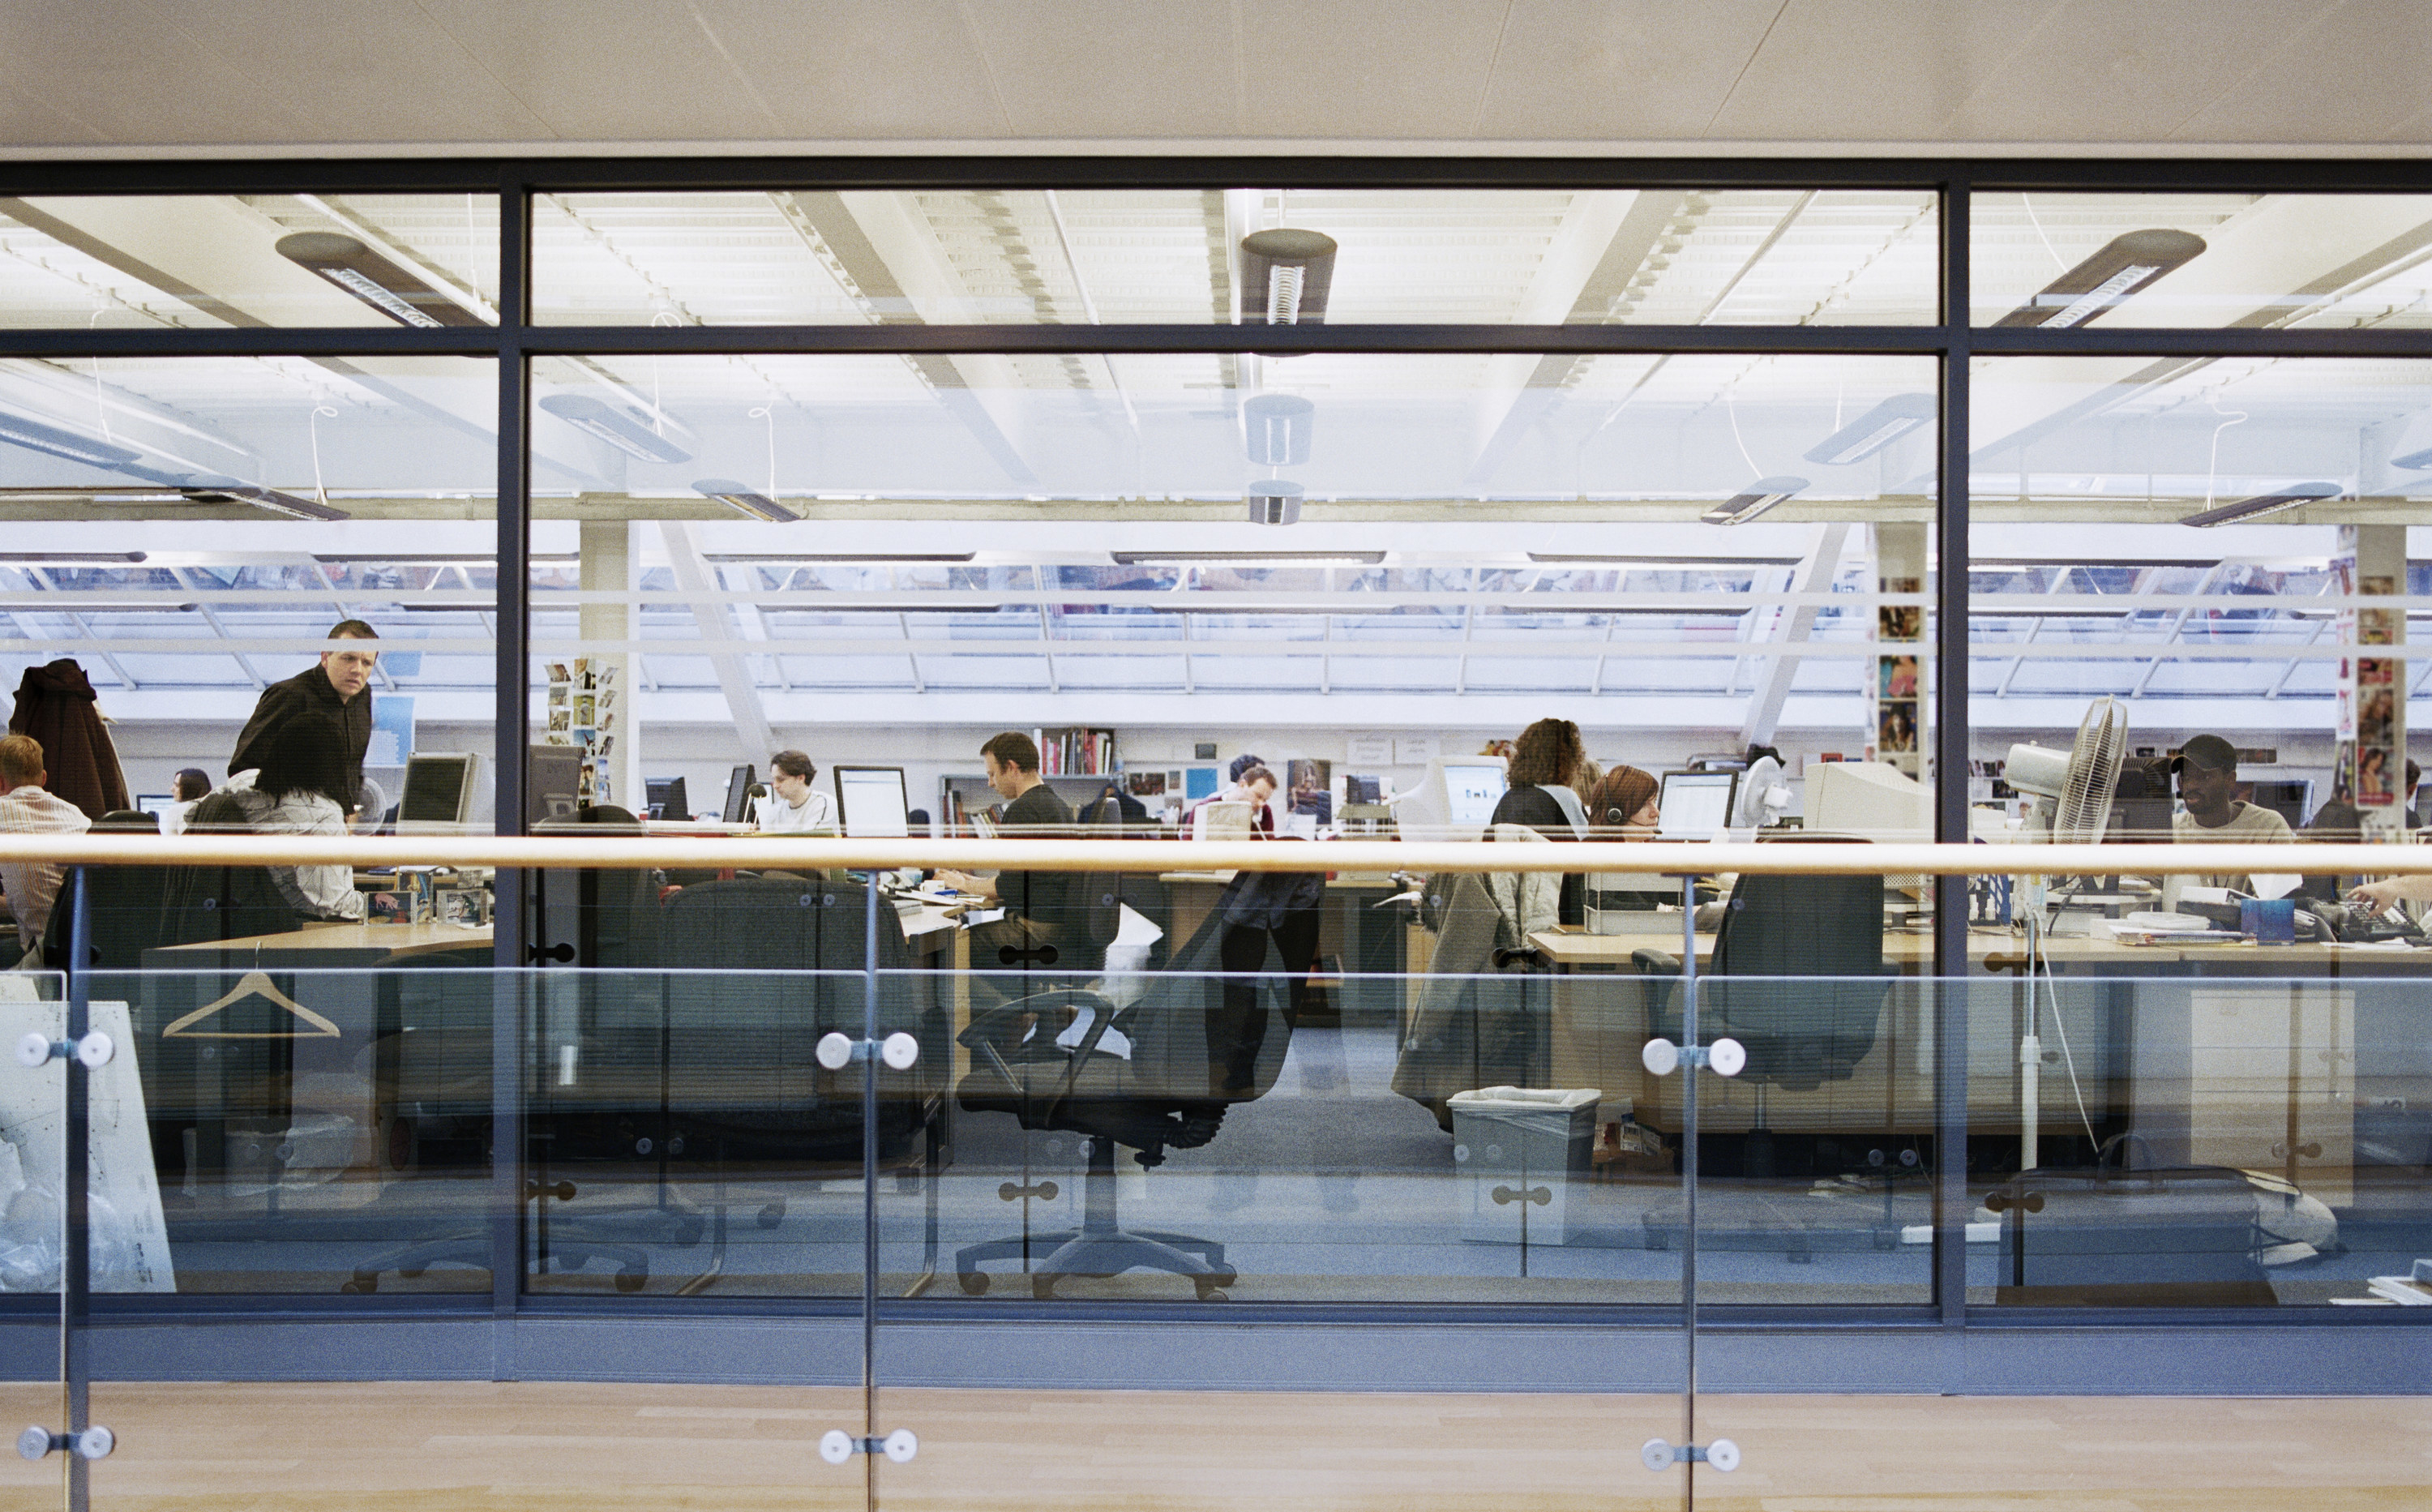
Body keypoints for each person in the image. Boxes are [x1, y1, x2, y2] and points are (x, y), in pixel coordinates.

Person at [936, 732, 1075, 998]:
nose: (990, 783)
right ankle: (1031, 1008)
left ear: (1011, 768)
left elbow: (1008, 885)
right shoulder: (1060, 807)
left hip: (1034, 929)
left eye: (992, 774)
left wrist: (965, 883)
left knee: (955, 945)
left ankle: (1009, 1013)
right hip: (1061, 928)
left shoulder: (1022, 810)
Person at [229, 619, 379, 817]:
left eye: (366, 662)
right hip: (290, 828)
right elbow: (243, 770)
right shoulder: (289, 696)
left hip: (336, 828)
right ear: (325, 657)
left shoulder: (362, 696)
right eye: (348, 658)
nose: (357, 669)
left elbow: (352, 767)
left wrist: (350, 813)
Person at [232, 709, 365, 922]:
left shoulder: (241, 783)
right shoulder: (321, 815)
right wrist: (386, 902)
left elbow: (193, 813)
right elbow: (335, 905)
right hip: (299, 929)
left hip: (242, 921)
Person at [1488, 717, 1592, 924]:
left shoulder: (1507, 800)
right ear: (1568, 759)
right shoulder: (1564, 798)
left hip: (1510, 919)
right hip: (1556, 918)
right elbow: (1589, 862)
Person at [0, 734, 93, 958]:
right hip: (85, 949)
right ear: (43, 779)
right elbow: (47, 894)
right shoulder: (76, 815)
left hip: (41, 955)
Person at [2169, 733, 2294, 897]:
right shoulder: (2170, 829)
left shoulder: (2267, 827)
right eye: (2186, 777)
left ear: (2230, 779)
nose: (2190, 785)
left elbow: (2274, 908)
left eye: (2203, 777)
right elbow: (2139, 887)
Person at [754, 750, 835, 833]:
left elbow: (810, 842)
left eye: (781, 780)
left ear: (800, 778)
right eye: (774, 780)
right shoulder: (775, 810)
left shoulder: (823, 804)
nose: (775, 785)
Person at [161, 767, 212, 837]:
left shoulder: (176, 810)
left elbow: (170, 845)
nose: (172, 789)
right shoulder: (212, 807)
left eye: (177, 785)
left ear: (190, 788)